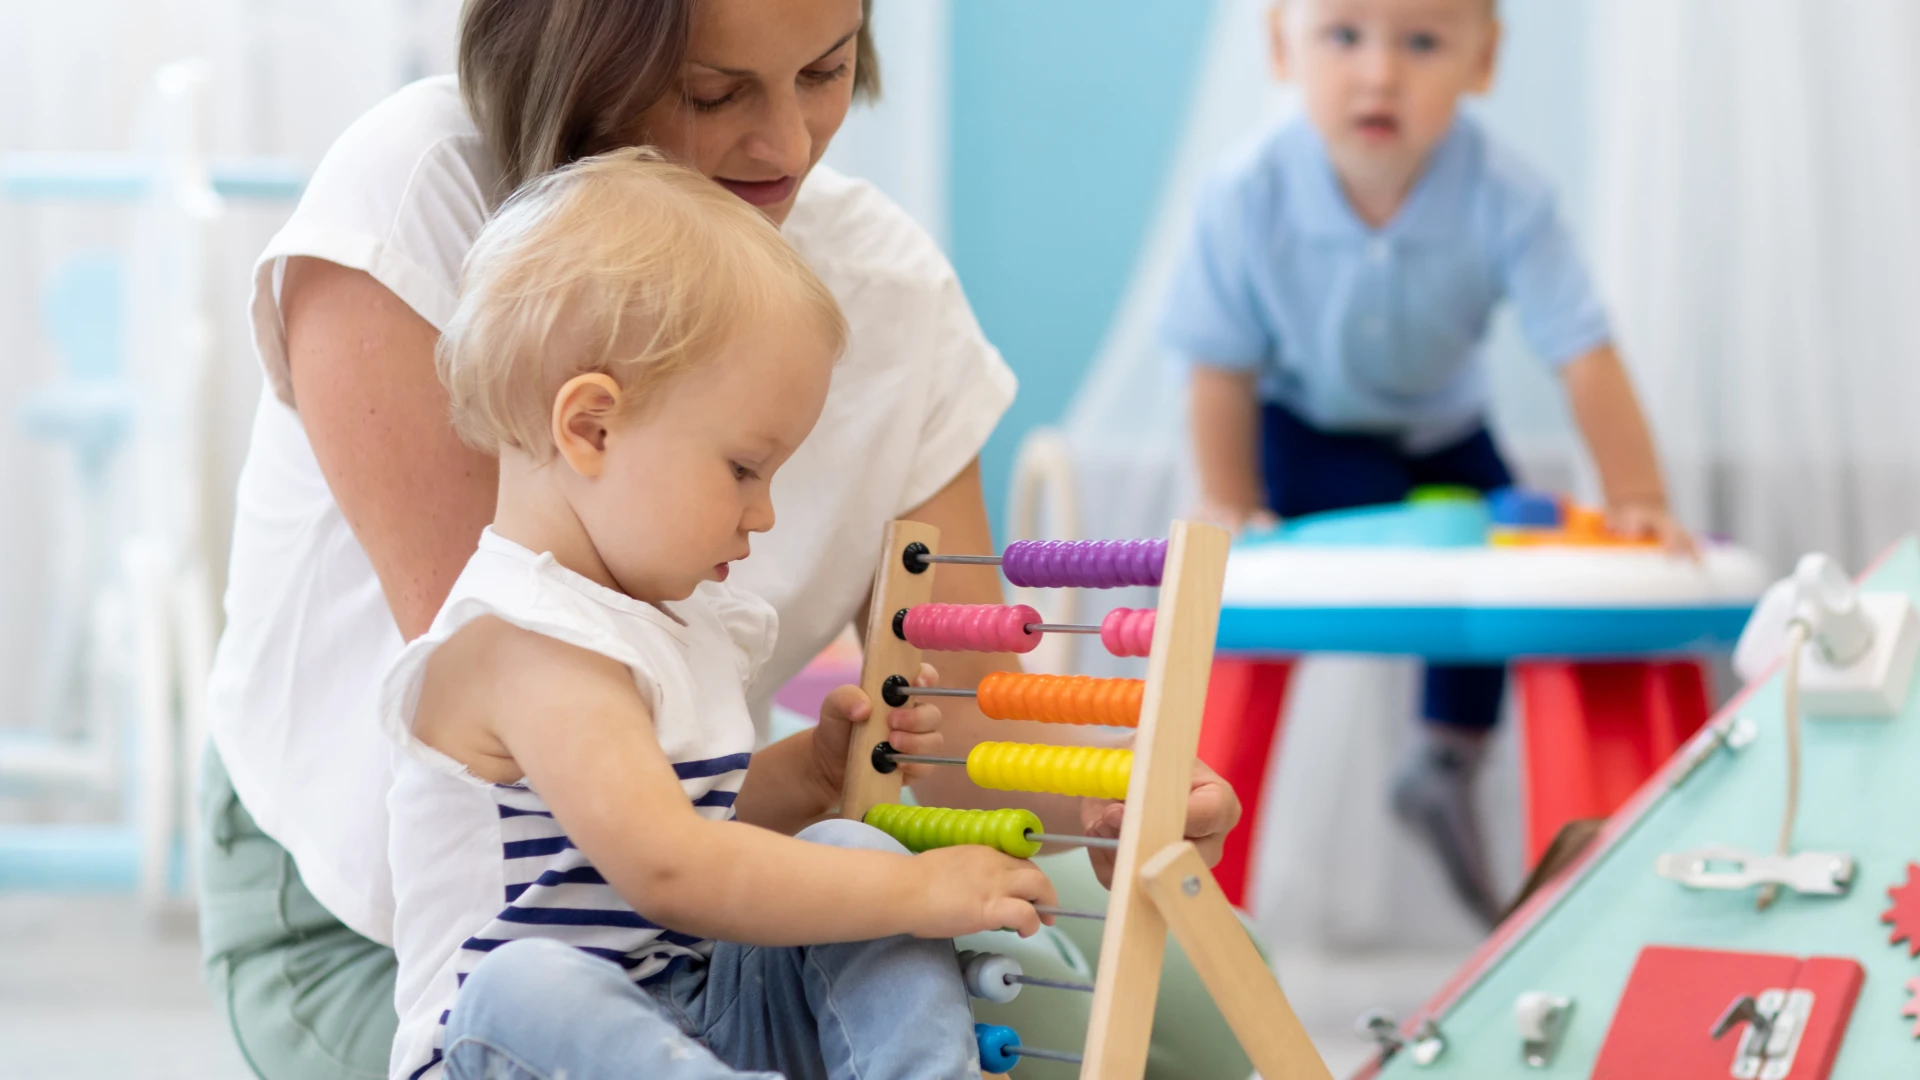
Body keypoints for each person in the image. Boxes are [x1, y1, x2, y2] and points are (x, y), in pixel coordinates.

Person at [199, 1, 1246, 1077]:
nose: (788, 143)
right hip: (411, 934)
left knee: (1187, 1007)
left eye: (826, 71)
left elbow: (936, 730)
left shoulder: (879, 293)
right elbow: (624, 832)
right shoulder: (529, 623)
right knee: (555, 984)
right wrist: (909, 888)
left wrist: (1109, 795)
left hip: (684, 938)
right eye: (714, 92)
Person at [381, 148, 1052, 1080]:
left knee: (846, 844)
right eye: (743, 469)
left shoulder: (669, 622)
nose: (763, 513)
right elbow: (672, 866)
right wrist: (915, 888)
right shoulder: (524, 641)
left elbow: (698, 817)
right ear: (592, 428)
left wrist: (811, 774)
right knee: (526, 983)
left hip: (689, 1025)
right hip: (512, 1053)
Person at [1160, 0, 1687, 924]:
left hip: (1446, 432)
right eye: (1344, 36)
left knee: (1501, 564)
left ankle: (1448, 757)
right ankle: (1208, 844)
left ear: (1483, 62)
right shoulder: (1245, 191)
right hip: (1304, 427)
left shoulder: (1509, 194)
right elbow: (1220, 368)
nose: (1380, 75)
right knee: (1307, 557)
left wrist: (1637, 494)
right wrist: (1230, 497)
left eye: (1422, 42)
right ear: (1282, 47)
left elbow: (1583, 351)